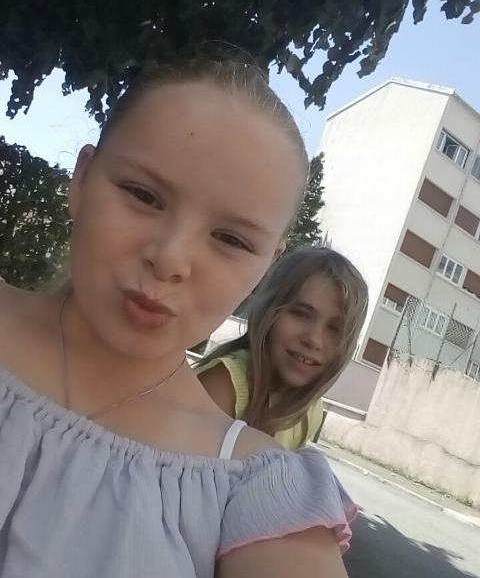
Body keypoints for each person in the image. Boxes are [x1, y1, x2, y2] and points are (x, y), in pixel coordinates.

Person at [0, 58, 354, 577]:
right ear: (81, 180)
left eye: (231, 239)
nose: (170, 259)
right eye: (143, 196)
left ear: (266, 268)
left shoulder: (251, 493)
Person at [197, 247, 368, 449]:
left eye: (335, 328)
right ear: (268, 310)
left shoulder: (309, 412)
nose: (313, 339)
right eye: (301, 314)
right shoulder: (225, 385)